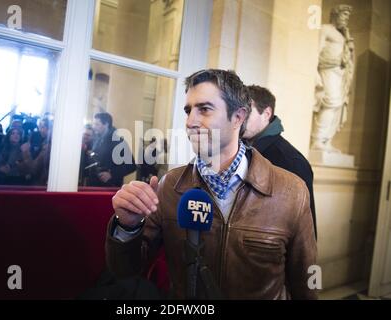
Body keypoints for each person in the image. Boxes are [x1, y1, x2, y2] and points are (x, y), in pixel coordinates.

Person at [106, 69, 317, 299]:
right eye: (188, 110)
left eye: (204, 109)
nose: (190, 122)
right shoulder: (169, 186)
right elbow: (125, 270)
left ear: (238, 117)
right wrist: (127, 227)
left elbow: (307, 282)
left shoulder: (291, 191)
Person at [243, 85, 317, 239]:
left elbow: (305, 232)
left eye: (247, 112)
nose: (239, 118)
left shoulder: (291, 161)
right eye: (238, 111)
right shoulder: (235, 151)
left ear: (267, 114)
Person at [311, 4, 354, 152]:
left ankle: (326, 141)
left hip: (340, 73)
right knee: (330, 102)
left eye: (348, 17)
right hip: (327, 70)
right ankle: (317, 139)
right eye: (344, 15)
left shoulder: (343, 35)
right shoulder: (325, 29)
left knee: (337, 107)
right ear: (335, 14)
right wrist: (315, 73)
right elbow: (316, 50)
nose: (346, 19)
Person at [90, 113, 136, 187]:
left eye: (97, 124)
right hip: (95, 185)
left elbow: (131, 166)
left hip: (110, 187)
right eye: (93, 124)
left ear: (106, 124)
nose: (93, 127)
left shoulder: (118, 142)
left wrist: (111, 174)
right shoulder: (97, 139)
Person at [18, 117, 52, 186]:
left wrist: (25, 153)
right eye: (40, 127)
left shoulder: (48, 146)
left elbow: (33, 169)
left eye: (43, 127)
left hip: (41, 184)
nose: (40, 130)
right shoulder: (45, 143)